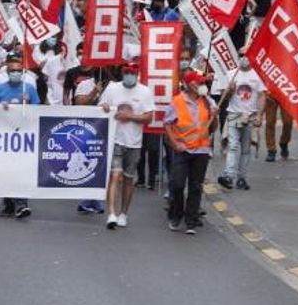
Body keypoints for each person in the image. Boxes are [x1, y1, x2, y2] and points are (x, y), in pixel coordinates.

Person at [99, 63, 154, 230]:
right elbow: (101, 106)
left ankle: (123, 213)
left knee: (129, 178)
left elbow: (149, 118)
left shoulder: (145, 91)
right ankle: (112, 214)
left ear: (137, 74)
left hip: (134, 142)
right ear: (122, 73)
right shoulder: (112, 88)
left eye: (133, 73)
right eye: (127, 72)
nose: (129, 75)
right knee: (114, 175)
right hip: (115, 138)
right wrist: (104, 107)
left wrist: (129, 116)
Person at [165, 70, 216, 235]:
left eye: (202, 82)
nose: (201, 85)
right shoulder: (177, 102)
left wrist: (214, 117)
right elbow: (167, 125)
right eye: (197, 82)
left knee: (195, 186)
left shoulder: (208, 102)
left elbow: (212, 128)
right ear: (188, 85)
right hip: (183, 149)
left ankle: (191, 220)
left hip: (201, 150)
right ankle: (175, 215)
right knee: (178, 184)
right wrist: (174, 144)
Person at [0, 53, 40, 218]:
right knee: (5, 170)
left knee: (20, 170)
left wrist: (29, 103)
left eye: (19, 71)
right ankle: (9, 204)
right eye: (12, 71)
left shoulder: (29, 89)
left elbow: (39, 110)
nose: (16, 73)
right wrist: (0, 107)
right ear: (7, 72)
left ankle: (21, 204)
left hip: (24, 137)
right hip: (4, 137)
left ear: (22, 72)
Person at [217, 59, 266, 190]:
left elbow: (262, 95)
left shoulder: (257, 75)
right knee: (232, 146)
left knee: (245, 150)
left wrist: (260, 115)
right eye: (241, 55)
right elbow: (223, 96)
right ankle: (228, 175)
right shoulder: (231, 74)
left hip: (250, 117)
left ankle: (241, 178)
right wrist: (230, 90)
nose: (244, 58)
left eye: (247, 54)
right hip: (234, 116)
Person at [72, 71, 105, 214]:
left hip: (104, 131)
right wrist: (94, 93)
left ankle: (94, 200)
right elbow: (78, 103)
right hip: (86, 131)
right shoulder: (85, 84)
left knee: (99, 166)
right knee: (88, 164)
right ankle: (86, 200)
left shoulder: (115, 87)